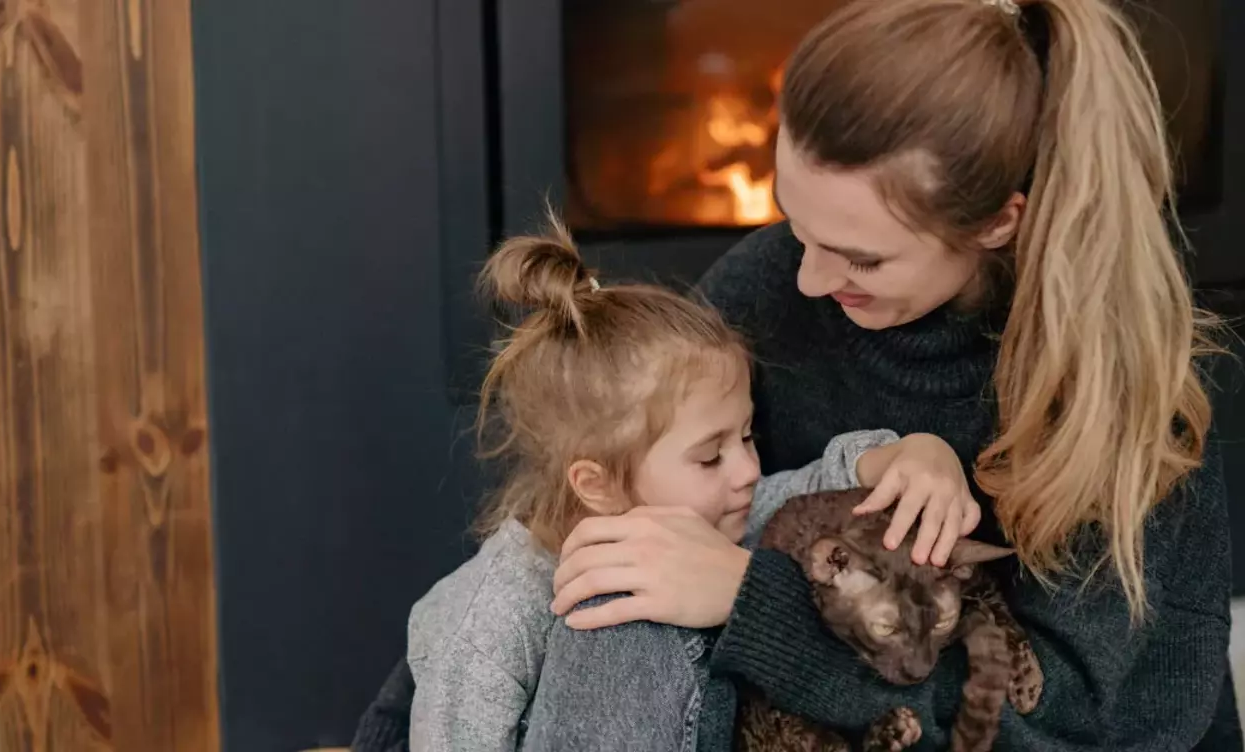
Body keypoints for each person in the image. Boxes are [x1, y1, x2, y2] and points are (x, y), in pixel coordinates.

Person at [533, 0, 1241, 750]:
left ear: (1000, 222)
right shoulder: (774, 285)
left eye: (861, 258)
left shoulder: (1119, 390)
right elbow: (588, 498)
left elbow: (1081, 729)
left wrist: (758, 607)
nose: (808, 279)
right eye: (793, 226)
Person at [403, 217, 979, 750]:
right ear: (596, 485)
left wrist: (907, 454)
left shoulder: (724, 516)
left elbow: (817, 488)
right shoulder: (497, 612)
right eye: (711, 457)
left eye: (748, 437)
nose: (749, 471)